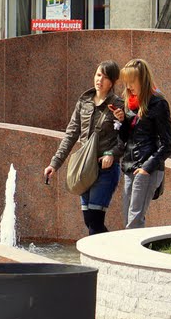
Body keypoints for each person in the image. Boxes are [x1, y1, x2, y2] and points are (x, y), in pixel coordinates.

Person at [43, 61, 125, 236]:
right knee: (89, 221)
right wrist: (54, 164)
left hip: (105, 169)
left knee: (95, 221)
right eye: (97, 75)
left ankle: (106, 257)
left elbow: (125, 139)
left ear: (113, 82)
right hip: (84, 169)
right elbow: (71, 134)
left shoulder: (118, 105)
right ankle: (114, 251)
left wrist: (112, 154)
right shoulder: (84, 102)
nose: (99, 80)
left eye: (105, 77)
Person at [111, 58, 171, 229]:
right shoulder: (129, 105)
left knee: (134, 220)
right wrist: (123, 122)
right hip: (129, 166)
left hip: (147, 167)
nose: (128, 86)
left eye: (132, 82)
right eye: (126, 82)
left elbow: (167, 144)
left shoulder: (158, 103)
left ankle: (131, 256)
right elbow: (124, 140)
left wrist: (147, 168)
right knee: (127, 218)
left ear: (143, 80)